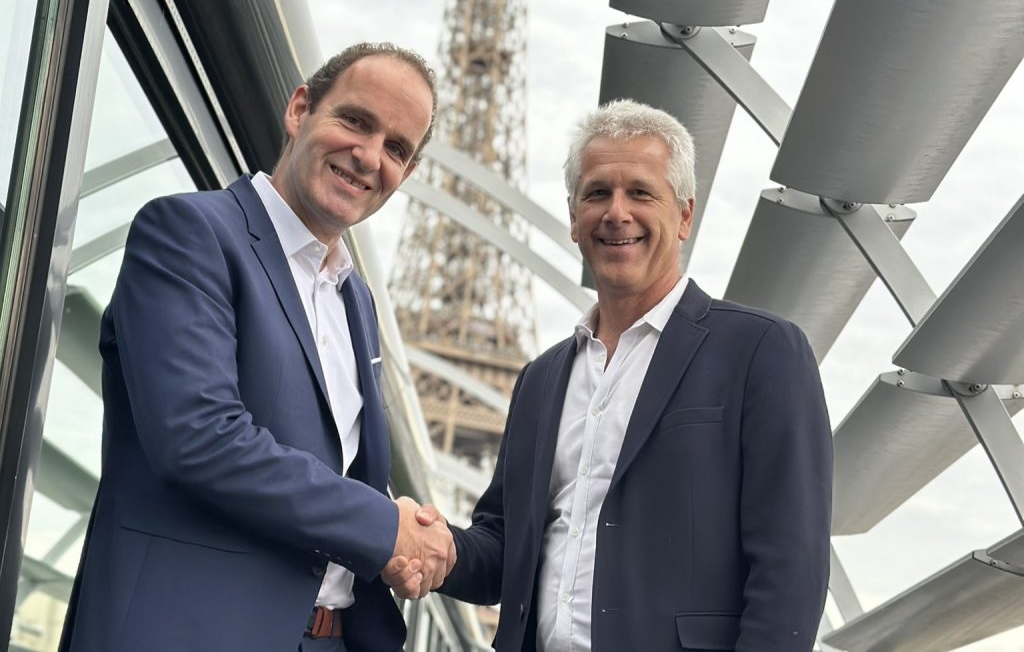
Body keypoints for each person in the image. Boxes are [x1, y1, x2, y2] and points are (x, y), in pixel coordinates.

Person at [388, 99, 833, 651]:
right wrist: (439, 548)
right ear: (574, 218)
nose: (616, 212)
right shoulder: (540, 379)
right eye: (597, 193)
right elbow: (508, 548)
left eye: (641, 192)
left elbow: (790, 572)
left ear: (685, 216)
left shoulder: (762, 352)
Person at [59, 42, 455, 652]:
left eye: (397, 148)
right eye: (355, 120)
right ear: (300, 110)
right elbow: (200, 437)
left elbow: (331, 471)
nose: (369, 156)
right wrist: (383, 526)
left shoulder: (357, 303)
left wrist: (400, 534)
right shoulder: (190, 233)